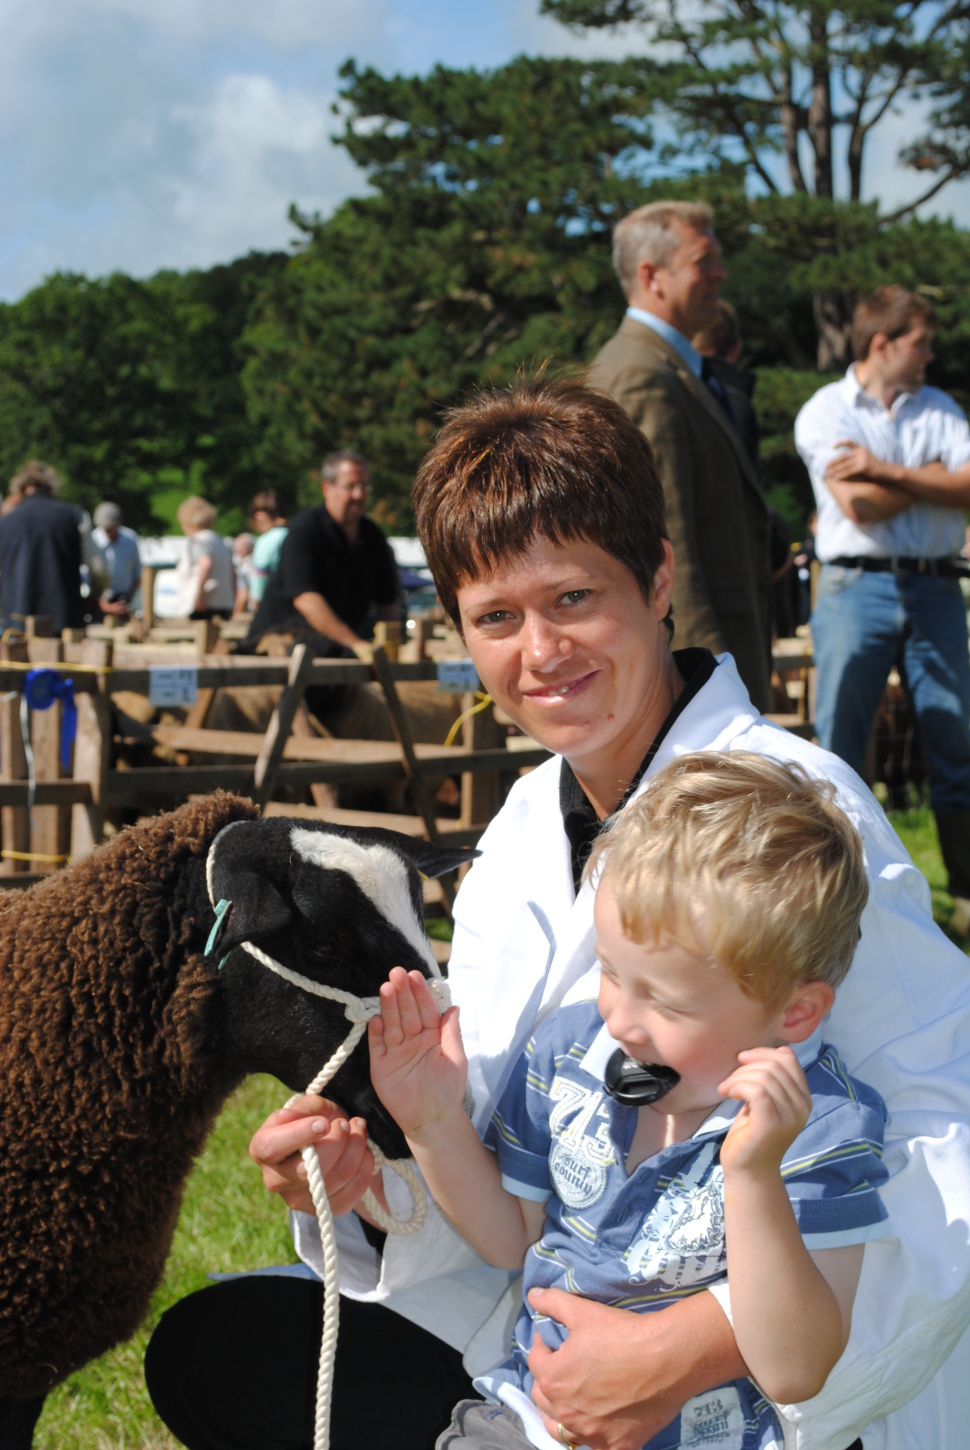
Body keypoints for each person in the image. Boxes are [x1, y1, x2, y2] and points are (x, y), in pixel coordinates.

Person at [146, 379, 970, 1450]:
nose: (540, 651)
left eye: (573, 598)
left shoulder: (797, 821)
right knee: (222, 1348)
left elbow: (946, 1139)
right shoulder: (523, 827)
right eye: (496, 617)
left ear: (660, 577)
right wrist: (371, 1185)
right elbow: (517, 1171)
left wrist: (687, 1347)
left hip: (767, 1392)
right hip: (550, 1341)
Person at [370, 751, 888, 1450]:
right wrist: (430, 1120)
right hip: (532, 1421)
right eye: (611, 972)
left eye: (665, 1001)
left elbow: (795, 1367)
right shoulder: (571, 1053)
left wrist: (754, 1174)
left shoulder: (821, 1126)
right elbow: (509, 1237)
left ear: (794, 1015)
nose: (620, 1018)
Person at [795, 286, 970, 933]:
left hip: (934, 587)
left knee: (955, 742)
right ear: (882, 343)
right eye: (921, 342)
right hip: (854, 589)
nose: (931, 354)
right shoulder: (823, 411)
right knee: (837, 752)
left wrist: (884, 470)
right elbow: (857, 507)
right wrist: (927, 475)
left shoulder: (940, 406)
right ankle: (839, 909)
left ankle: (966, 901)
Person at [588, 201, 772, 711]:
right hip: (700, 673)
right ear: (653, 275)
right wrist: (705, 681)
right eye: (702, 260)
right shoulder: (645, 376)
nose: (721, 272)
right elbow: (669, 547)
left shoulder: (666, 369)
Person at [243, 451, 399, 660]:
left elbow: (386, 603)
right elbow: (306, 600)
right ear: (327, 488)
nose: (359, 495)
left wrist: (391, 649)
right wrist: (355, 644)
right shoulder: (305, 530)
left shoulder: (373, 538)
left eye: (364, 487)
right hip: (274, 652)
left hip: (331, 653)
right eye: (350, 486)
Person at [0, 459, 104, 635]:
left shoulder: (5, 523)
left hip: (17, 630)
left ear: (21, 488)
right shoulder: (74, 516)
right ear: (52, 486)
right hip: (65, 626)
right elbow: (99, 570)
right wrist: (96, 596)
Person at [173, 496, 236, 621]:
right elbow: (233, 574)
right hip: (223, 603)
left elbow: (205, 564)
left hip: (203, 605)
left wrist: (199, 598)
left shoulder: (198, 541)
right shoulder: (221, 541)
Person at [92, 501, 141, 621]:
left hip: (124, 602)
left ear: (118, 522)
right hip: (100, 605)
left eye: (110, 528)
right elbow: (87, 578)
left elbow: (138, 573)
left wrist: (128, 599)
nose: (107, 532)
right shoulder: (93, 540)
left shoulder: (130, 538)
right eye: (104, 528)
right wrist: (103, 605)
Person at [247, 489, 289, 607]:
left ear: (259, 515)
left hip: (274, 607)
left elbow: (260, 577)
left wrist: (256, 604)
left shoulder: (266, 540)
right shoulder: (296, 533)